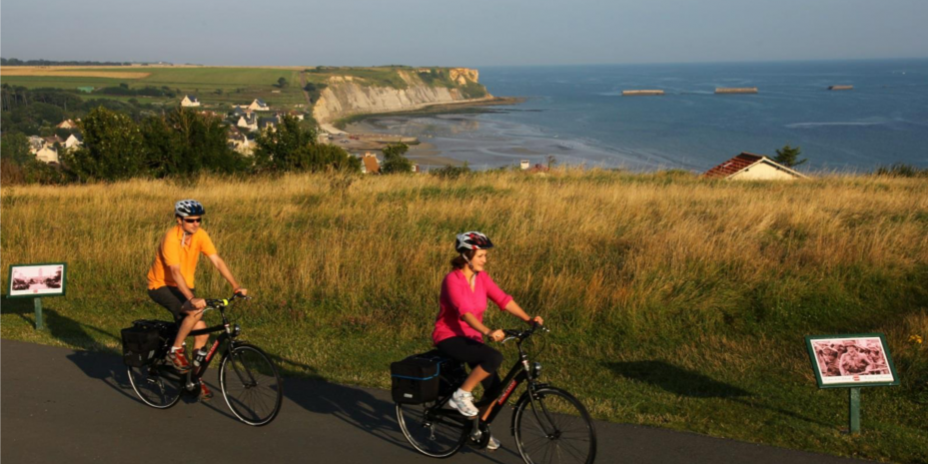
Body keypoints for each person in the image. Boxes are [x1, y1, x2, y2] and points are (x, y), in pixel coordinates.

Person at [432, 231, 543, 451]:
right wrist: (488, 330)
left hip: (471, 338)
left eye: (485, 255)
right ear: (466, 256)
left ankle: (478, 429)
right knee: (493, 356)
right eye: (481, 255)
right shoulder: (452, 280)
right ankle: (461, 396)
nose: (485, 259)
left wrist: (528, 319)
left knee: (494, 389)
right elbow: (465, 313)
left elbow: (503, 299)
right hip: (449, 337)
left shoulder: (481, 278)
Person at [147, 200, 247, 399]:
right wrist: (192, 298)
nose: (196, 223)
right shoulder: (170, 238)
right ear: (179, 220)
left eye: (198, 219)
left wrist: (235, 285)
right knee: (195, 311)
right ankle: (175, 350)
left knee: (202, 334)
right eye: (190, 220)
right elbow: (175, 272)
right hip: (161, 286)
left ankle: (194, 379)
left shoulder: (200, 235)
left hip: (184, 286)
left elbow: (216, 260)